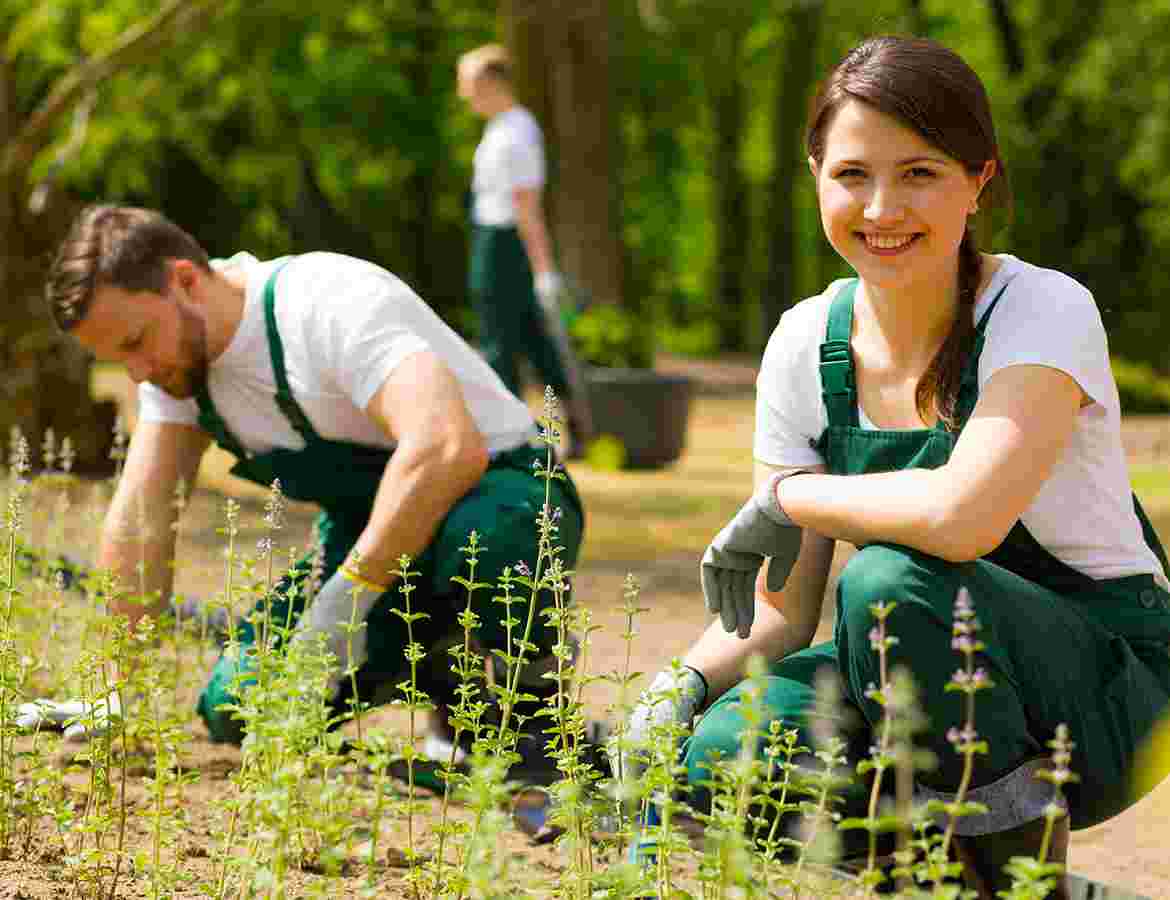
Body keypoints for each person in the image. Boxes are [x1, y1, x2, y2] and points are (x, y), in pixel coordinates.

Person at [614, 36, 1170, 897]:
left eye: (919, 173)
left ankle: (1019, 881)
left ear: (979, 179)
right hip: (907, 670)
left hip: (1105, 694)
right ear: (814, 174)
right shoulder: (804, 343)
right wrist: (678, 687)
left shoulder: (1042, 309)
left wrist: (793, 496)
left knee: (889, 579)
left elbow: (962, 519)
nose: (881, 207)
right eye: (851, 175)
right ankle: (946, 874)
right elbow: (780, 615)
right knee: (728, 751)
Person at [33, 205, 585, 780]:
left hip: (507, 494)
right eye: (118, 358)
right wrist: (115, 687)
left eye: (137, 342)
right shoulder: (177, 370)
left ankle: (536, 719)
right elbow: (140, 520)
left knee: (488, 540)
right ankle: (449, 672)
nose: (137, 372)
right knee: (236, 705)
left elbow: (447, 447)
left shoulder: (325, 301)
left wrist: (348, 596)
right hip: (381, 541)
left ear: (185, 281)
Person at [456, 43, 593, 457]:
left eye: (468, 84)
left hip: (504, 244)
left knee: (501, 342)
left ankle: (510, 440)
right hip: (493, 238)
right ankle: (570, 427)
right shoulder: (499, 128)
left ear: (492, 83)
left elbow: (526, 204)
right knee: (533, 340)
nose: (464, 95)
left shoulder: (517, 131)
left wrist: (542, 268)